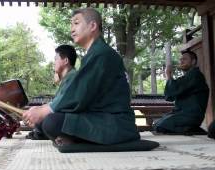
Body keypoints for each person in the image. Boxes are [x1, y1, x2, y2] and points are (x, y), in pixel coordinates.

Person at [23, 8, 139, 146]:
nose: (72, 29)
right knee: (47, 121)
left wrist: (45, 110)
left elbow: (79, 94)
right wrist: (44, 110)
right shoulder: (95, 53)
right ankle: (71, 138)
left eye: (76, 23)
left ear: (93, 26)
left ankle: (71, 138)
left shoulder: (102, 54)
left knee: (51, 122)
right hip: (100, 117)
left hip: (114, 123)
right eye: (71, 24)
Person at [26, 44, 77, 140]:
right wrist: (39, 109)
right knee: (41, 118)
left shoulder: (73, 77)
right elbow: (56, 102)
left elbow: (60, 105)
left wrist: (40, 112)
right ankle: (41, 131)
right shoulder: (68, 78)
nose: (54, 62)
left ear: (65, 61)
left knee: (49, 121)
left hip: (74, 119)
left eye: (56, 59)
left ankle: (41, 131)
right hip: (65, 116)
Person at [153, 50, 209, 134]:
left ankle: (193, 130)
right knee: (156, 123)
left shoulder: (195, 75)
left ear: (193, 62)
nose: (181, 61)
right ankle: (189, 129)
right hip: (181, 113)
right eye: (181, 59)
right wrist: (170, 76)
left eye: (185, 59)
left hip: (191, 115)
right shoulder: (187, 76)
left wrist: (168, 75)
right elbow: (170, 96)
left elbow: (174, 90)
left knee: (162, 125)